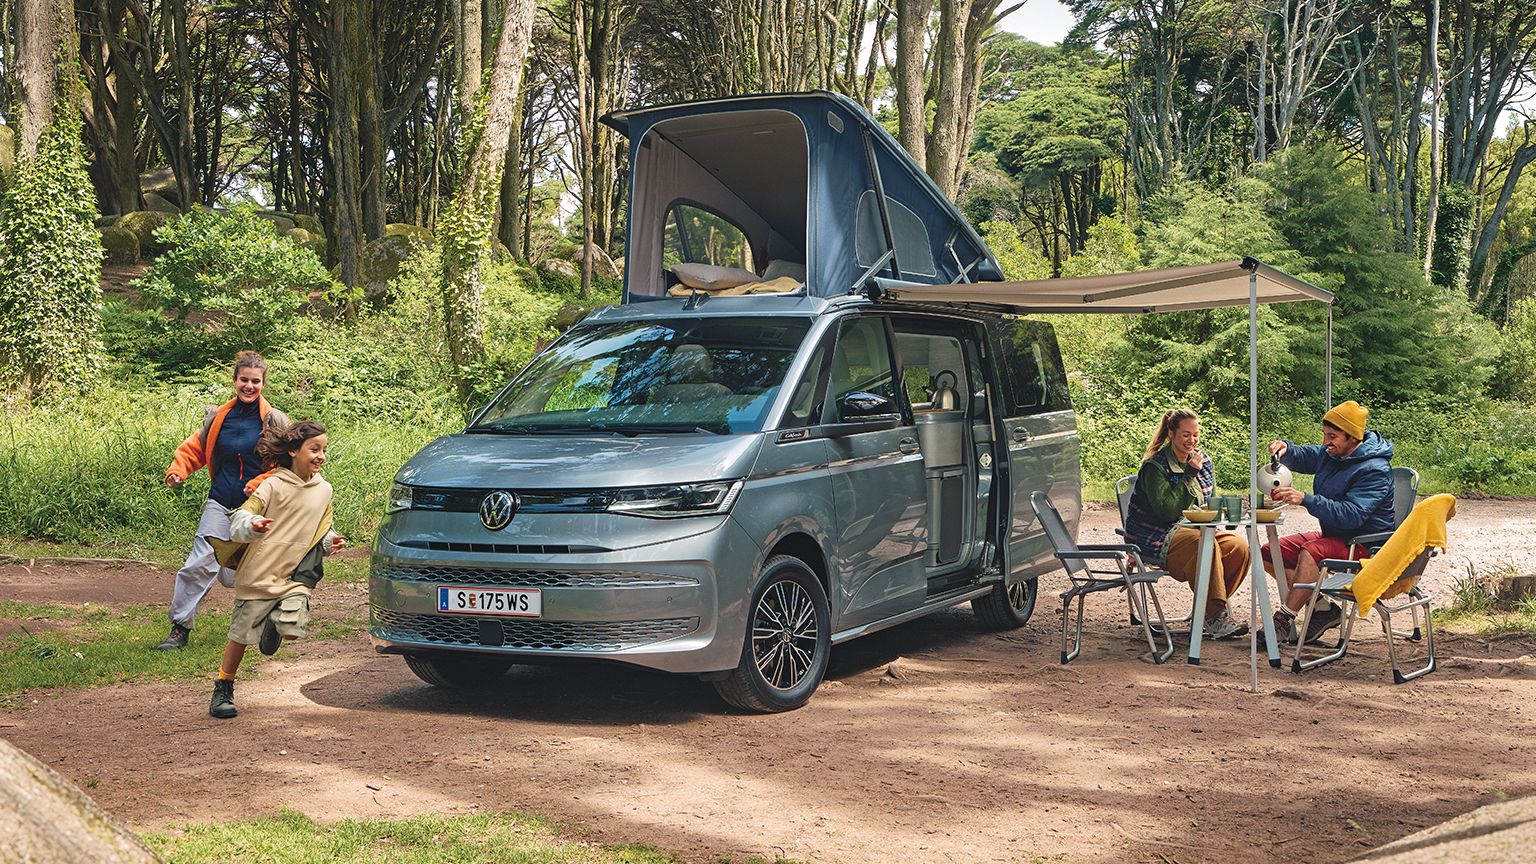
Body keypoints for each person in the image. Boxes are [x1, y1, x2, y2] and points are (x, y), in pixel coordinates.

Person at [208, 420, 344, 719]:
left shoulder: (324, 490)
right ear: (294, 450)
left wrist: (331, 541)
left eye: (324, 449)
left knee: (293, 629)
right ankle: (223, 686)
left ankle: (275, 622)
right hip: (260, 572)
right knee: (240, 636)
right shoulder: (272, 484)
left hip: (296, 573)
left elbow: (323, 528)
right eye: (314, 449)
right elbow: (241, 516)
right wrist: (252, 525)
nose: (321, 455)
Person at [157, 352, 290, 650]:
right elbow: (195, 448)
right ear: (235, 381)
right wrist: (178, 471)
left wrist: (258, 484)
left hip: (258, 506)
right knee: (199, 563)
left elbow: (287, 465)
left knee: (237, 575)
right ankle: (180, 627)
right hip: (220, 501)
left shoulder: (274, 419)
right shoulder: (218, 417)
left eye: (255, 381)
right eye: (244, 380)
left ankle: (271, 615)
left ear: (263, 384)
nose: (249, 386)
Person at [1261, 399, 1395, 646]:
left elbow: (1353, 514)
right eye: (1324, 434)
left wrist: (1306, 499)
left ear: (1353, 437)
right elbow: (1306, 455)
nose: (1325, 442)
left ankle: (1283, 619)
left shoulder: (1375, 469)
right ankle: (1323, 610)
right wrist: (1286, 449)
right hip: (1338, 537)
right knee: (1270, 552)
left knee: (1312, 552)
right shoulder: (1333, 453)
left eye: (1332, 436)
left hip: (1365, 546)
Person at [1124, 409, 1252, 640]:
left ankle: (1210, 610)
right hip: (1156, 535)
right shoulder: (1156, 467)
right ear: (1171, 434)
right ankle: (1215, 617)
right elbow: (1167, 511)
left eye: (1195, 434)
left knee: (1239, 547)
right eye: (1185, 435)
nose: (1191, 440)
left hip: (1195, 529)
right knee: (1205, 545)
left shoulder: (1205, 461)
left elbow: (1210, 502)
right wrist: (1189, 473)